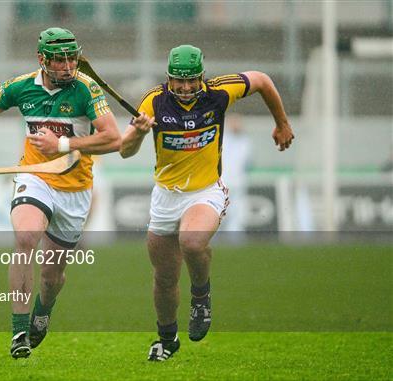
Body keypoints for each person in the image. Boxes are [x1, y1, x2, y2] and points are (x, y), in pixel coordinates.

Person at [120, 45, 294, 361]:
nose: (185, 88)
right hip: (165, 196)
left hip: (206, 191)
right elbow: (124, 151)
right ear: (168, 78)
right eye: (178, 81)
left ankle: (201, 294)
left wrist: (281, 123)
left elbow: (263, 81)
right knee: (164, 278)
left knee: (192, 240)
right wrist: (137, 133)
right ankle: (167, 339)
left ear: (202, 75)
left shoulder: (220, 92)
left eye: (191, 80)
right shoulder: (153, 102)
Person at [0, 27, 121, 359]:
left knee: (52, 274)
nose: (67, 66)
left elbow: (113, 139)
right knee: (26, 237)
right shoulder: (20, 87)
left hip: (75, 190)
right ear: (41, 59)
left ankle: (43, 309)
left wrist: (63, 144)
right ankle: (19, 329)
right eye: (58, 60)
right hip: (35, 177)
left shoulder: (86, 90)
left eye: (71, 58)